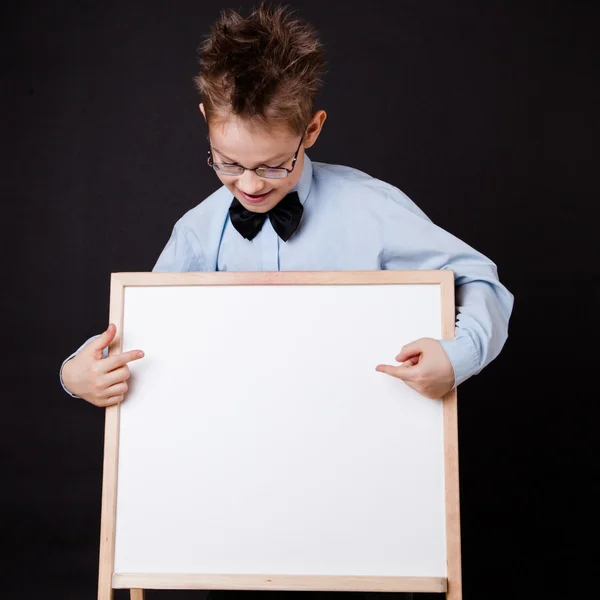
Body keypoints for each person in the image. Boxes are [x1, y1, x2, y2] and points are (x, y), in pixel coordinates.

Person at [60, 3, 513, 597]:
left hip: (366, 513)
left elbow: (482, 282)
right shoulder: (197, 232)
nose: (249, 185)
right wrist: (77, 375)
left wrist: (457, 356)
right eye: (227, 163)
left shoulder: (372, 209)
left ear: (313, 129)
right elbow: (139, 337)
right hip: (240, 517)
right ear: (206, 123)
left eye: (275, 165)